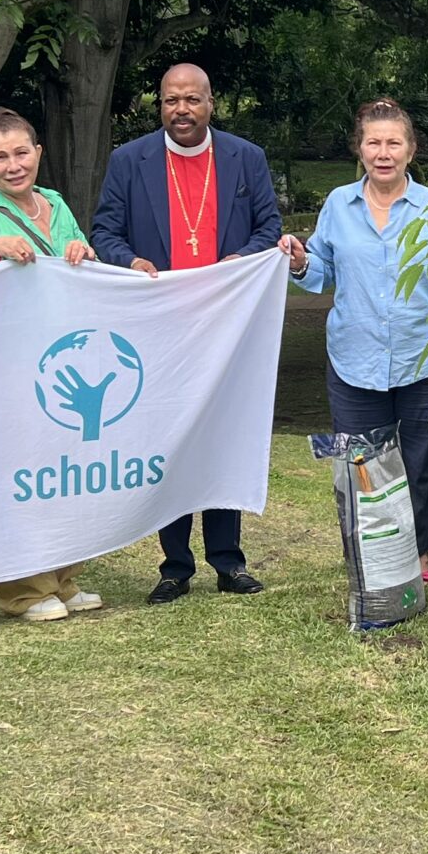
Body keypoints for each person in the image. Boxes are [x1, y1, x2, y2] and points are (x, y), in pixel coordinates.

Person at [92, 63, 284, 604]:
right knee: (169, 438)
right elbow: (104, 229)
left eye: (192, 100)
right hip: (160, 328)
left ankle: (229, 562)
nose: (182, 109)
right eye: (171, 100)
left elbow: (268, 227)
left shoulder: (247, 158)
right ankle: (175, 566)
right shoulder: (130, 161)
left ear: (211, 103)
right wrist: (127, 260)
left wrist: (238, 260)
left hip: (226, 326)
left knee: (222, 437)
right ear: (160, 106)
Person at [280, 98, 428, 580]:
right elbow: (321, 270)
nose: (383, 152)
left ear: (410, 150)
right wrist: (298, 261)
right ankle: (370, 555)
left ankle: (417, 553)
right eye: (373, 142)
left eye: (393, 142)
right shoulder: (338, 204)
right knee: (361, 462)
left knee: (421, 461)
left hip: (426, 356)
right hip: (354, 358)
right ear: (359, 149)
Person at [0, 106, 102, 622]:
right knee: (26, 475)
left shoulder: (56, 203)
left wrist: (81, 250)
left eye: (21, 153)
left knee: (66, 472)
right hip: (12, 364)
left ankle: (63, 578)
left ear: (38, 153)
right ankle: (22, 589)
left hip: (61, 355)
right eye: (0, 157)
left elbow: (73, 257)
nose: (13, 165)